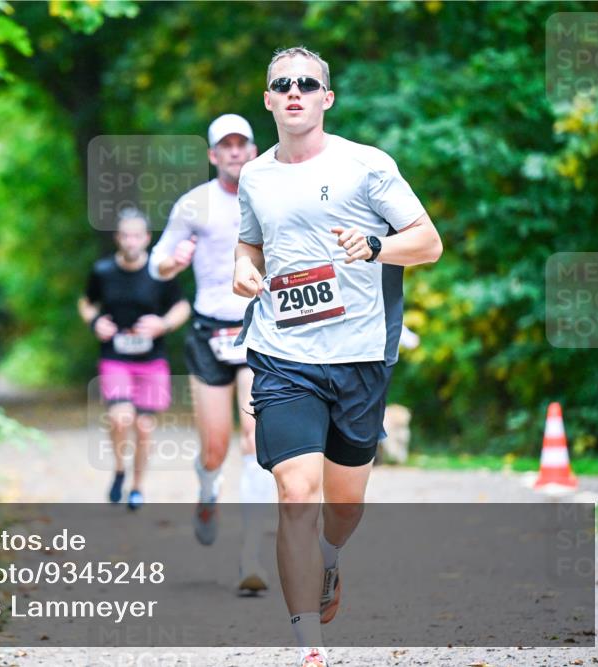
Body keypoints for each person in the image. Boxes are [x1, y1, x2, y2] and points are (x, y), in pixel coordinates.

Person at [232, 47, 443, 667]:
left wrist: (375, 246)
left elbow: (428, 243)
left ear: (327, 98)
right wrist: (245, 272)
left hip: (358, 355)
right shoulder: (255, 176)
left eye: (307, 83)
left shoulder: (366, 165)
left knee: (343, 505)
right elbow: (250, 246)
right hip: (282, 353)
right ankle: (309, 650)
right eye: (281, 85)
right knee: (297, 492)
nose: (294, 92)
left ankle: (330, 557)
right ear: (268, 99)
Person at [149, 114, 278, 594]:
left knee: (253, 438)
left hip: (257, 329)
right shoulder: (194, 204)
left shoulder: (271, 196)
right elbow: (156, 263)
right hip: (208, 332)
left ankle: (251, 556)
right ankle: (207, 489)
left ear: (252, 148)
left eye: (241, 144)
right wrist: (171, 262)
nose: (235, 152)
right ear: (212, 156)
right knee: (214, 447)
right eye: (225, 146)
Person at [79, 207, 191, 511]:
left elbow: (182, 307)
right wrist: (94, 323)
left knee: (143, 427)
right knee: (120, 417)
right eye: (125, 236)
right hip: (115, 357)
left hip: (152, 359)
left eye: (136, 236)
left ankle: (137, 487)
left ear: (146, 238)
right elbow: (86, 303)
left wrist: (163, 324)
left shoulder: (159, 272)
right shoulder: (102, 272)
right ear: (117, 238)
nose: (131, 242)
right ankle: (118, 469)